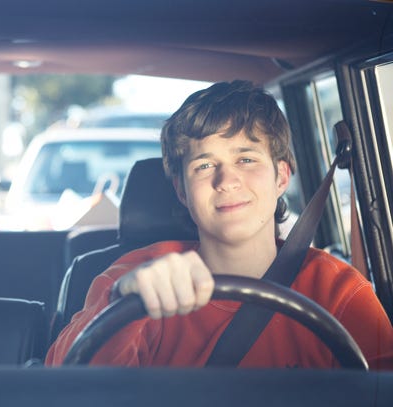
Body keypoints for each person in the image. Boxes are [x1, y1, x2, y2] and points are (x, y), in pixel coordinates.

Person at [46, 80, 393, 369]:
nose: (227, 180)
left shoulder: (338, 293)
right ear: (181, 190)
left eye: (246, 158)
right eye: (205, 166)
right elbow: (65, 389)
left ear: (281, 177)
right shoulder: (131, 279)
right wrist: (123, 305)